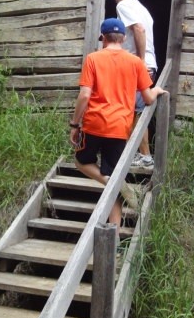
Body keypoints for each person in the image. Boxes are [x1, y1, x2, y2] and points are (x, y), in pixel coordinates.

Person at [69, 18, 168, 231]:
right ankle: (114, 224)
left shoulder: (93, 59)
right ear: (123, 38)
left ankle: (114, 185)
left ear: (103, 38)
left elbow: (84, 95)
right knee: (114, 175)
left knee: (80, 161)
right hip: (119, 128)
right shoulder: (135, 63)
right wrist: (157, 91)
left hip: (93, 124)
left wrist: (74, 124)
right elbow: (148, 99)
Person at [112, 0, 157, 169]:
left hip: (139, 65)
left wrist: (139, 60)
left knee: (132, 112)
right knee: (136, 111)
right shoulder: (142, 8)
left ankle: (145, 157)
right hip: (147, 64)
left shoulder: (123, 5)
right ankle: (142, 155)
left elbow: (138, 29)